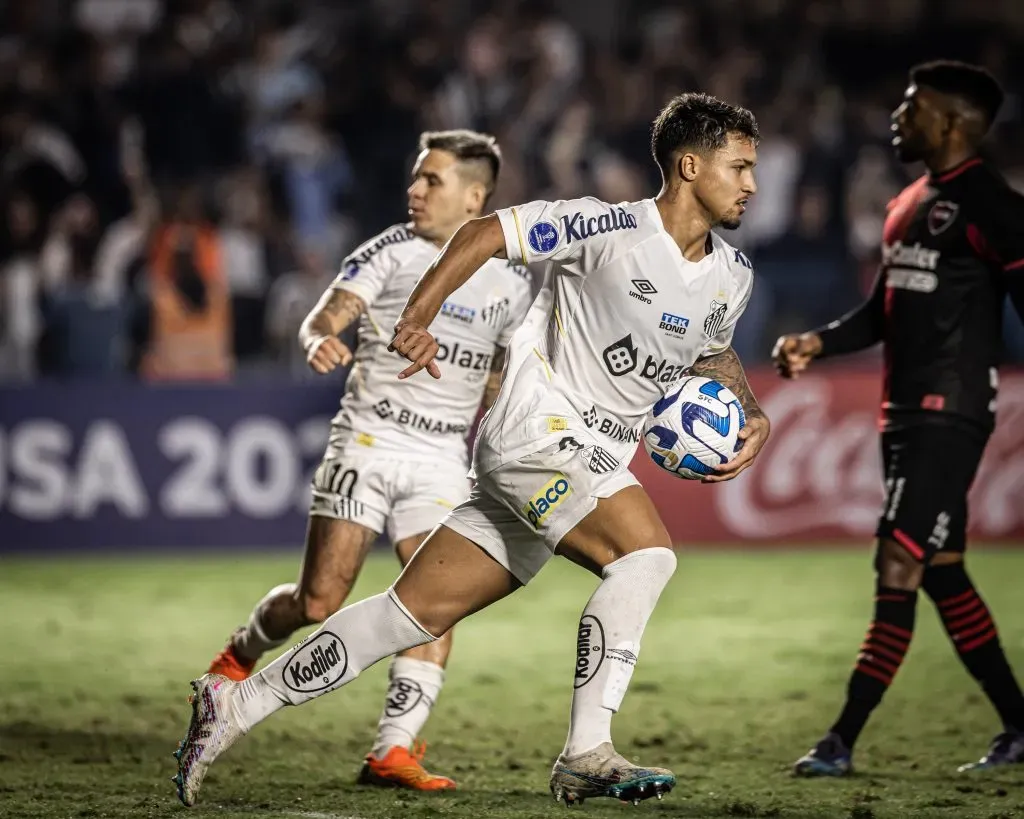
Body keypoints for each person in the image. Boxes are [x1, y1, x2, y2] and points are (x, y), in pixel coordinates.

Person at [173, 92, 771, 808]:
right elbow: (487, 232)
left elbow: (712, 352)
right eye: (739, 167)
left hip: (593, 456)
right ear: (689, 163)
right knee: (646, 556)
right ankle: (585, 751)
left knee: (408, 613)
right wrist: (419, 315)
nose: (751, 184)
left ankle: (233, 705)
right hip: (539, 432)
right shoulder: (606, 226)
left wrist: (751, 408)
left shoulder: (733, 275)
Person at [199, 129, 533, 791]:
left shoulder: (511, 284)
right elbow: (324, 317)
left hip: (441, 456)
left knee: (434, 597)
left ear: (475, 196)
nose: (414, 190)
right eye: (415, 177)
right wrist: (319, 339)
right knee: (320, 599)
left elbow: (501, 377)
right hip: (368, 442)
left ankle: (393, 749)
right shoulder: (392, 249)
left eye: (430, 180)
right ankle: (238, 657)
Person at [774, 61, 1024, 777]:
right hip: (900, 414)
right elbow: (882, 313)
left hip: (953, 413)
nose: (897, 115)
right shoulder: (906, 203)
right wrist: (819, 341)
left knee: (897, 560)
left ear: (950, 123)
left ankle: (840, 739)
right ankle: (1019, 724)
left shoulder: (994, 207)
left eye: (912, 106)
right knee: (942, 570)